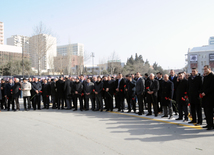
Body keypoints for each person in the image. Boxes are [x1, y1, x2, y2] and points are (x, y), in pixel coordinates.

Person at [201, 65, 214, 130]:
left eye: (206, 69)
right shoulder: (205, 77)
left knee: (209, 112)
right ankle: (208, 124)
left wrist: (205, 93)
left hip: (210, 98)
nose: (205, 71)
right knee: (206, 112)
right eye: (204, 69)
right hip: (205, 97)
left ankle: (211, 125)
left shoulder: (212, 76)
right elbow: (203, 86)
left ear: (209, 69)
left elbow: (212, 87)